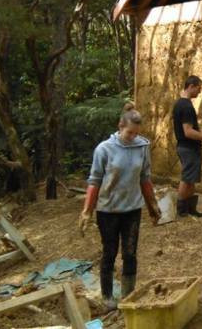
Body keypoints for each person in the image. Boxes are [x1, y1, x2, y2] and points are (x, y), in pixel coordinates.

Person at [78, 103, 161, 311]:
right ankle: (107, 297)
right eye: (129, 132)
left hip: (132, 209)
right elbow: (94, 181)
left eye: (136, 133)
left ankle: (128, 296)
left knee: (130, 253)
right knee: (109, 252)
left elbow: (145, 178)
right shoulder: (104, 149)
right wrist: (87, 210)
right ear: (120, 126)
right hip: (108, 211)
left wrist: (152, 205)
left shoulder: (142, 147)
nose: (133, 136)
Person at [173, 75, 202, 218]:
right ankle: (181, 211)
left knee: (191, 178)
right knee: (187, 179)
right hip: (188, 148)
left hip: (187, 147)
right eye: (199, 88)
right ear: (191, 86)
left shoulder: (179, 104)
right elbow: (188, 131)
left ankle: (190, 209)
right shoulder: (186, 106)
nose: (199, 92)